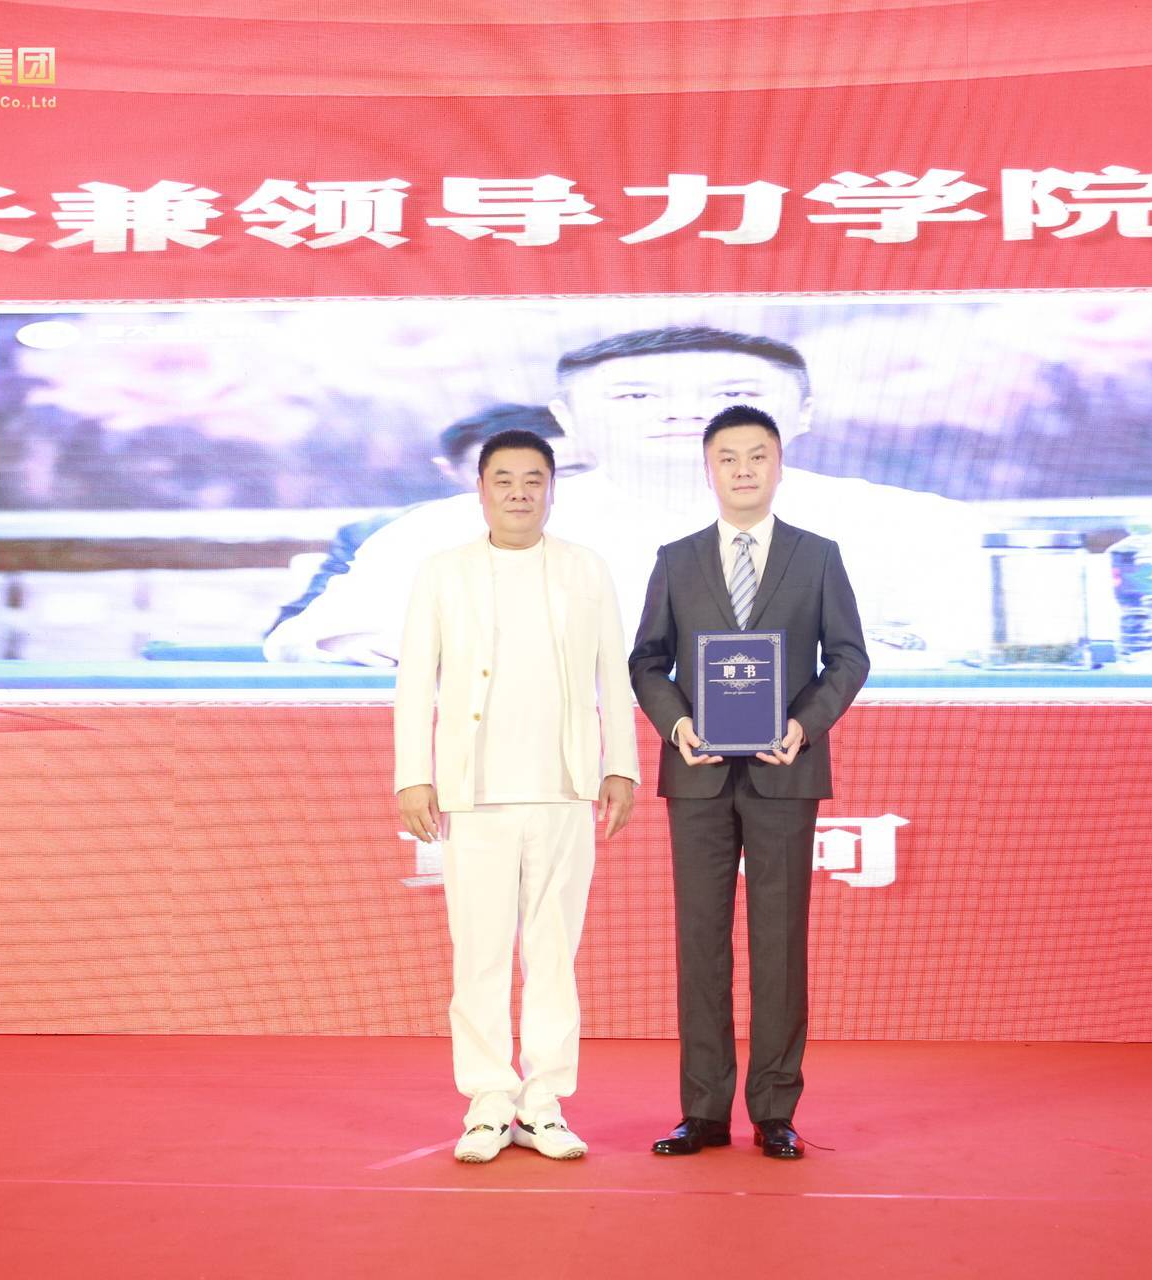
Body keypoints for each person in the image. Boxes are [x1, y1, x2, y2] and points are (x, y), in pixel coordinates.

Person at [268, 326, 987, 668]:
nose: (683, 413)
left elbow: (975, 655)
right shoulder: (446, 530)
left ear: (801, 414)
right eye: (636, 396)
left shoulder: (911, 525)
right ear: (569, 421)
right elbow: (314, 640)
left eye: (733, 394)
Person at [629, 405, 870, 1161]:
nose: (742, 469)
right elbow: (647, 661)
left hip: (784, 771)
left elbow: (849, 657)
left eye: (757, 455)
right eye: (727, 457)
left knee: (780, 943)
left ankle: (774, 1110)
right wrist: (677, 724)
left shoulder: (817, 556)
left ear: (779, 465)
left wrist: (805, 724)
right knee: (701, 943)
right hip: (697, 775)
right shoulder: (676, 559)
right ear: (708, 469)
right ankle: (702, 1111)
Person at [393, 428, 641, 1164]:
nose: (519, 493)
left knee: (554, 951)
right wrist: (413, 774)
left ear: (553, 488)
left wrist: (620, 766)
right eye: (504, 479)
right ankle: (488, 1102)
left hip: (564, 788)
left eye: (534, 479)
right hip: (474, 793)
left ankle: (544, 1103)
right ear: (480, 489)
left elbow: (614, 674)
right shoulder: (442, 572)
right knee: (479, 951)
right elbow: (415, 681)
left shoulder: (585, 568)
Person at [263, 404, 584, 642]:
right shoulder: (387, 534)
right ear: (451, 472)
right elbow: (290, 632)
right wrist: (342, 642)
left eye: (564, 473)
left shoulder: (604, 524)